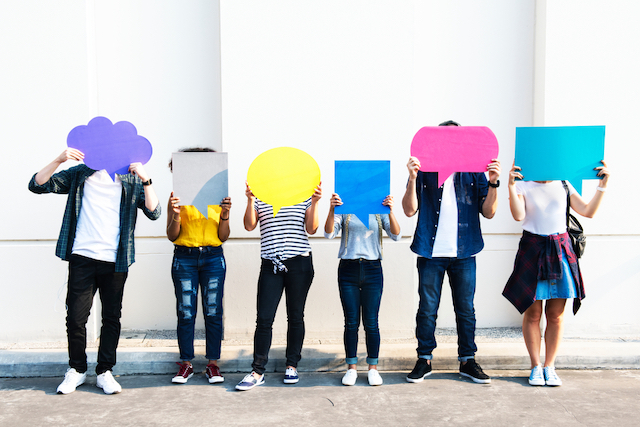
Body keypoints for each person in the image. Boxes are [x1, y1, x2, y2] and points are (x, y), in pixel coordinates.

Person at [28, 148, 160, 394]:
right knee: (76, 318)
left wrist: (146, 179)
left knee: (111, 318)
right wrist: (59, 159)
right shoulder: (81, 173)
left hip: (115, 260)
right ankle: (76, 369)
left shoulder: (131, 178)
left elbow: (154, 212)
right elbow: (37, 185)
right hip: (83, 257)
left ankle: (104, 371)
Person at [402, 120, 500, 384]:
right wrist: (412, 179)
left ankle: (468, 361)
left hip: (465, 252)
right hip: (430, 252)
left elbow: (489, 212)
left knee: (465, 309)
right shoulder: (425, 170)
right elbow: (409, 210)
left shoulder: (474, 171)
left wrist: (493, 184)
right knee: (427, 309)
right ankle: (424, 360)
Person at [503, 161, 610, 386]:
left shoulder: (564, 183)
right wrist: (511, 186)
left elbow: (588, 212)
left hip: (560, 249)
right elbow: (518, 215)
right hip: (532, 248)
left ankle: (550, 366)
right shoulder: (524, 185)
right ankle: (535, 367)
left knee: (556, 315)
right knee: (532, 314)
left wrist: (602, 185)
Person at [235, 181, 322, 391]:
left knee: (295, 316)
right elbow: (249, 225)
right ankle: (257, 371)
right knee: (264, 318)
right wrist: (250, 199)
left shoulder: (302, 195)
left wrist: (315, 202)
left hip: (299, 263)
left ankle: (292, 365)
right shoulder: (261, 195)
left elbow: (312, 228)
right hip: (270, 264)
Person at [166, 148, 232, 385]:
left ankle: (213, 365)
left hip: (213, 256)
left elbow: (223, 236)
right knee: (186, 311)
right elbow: (172, 235)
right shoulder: (178, 198)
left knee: (213, 311)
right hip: (184, 256)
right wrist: (175, 213)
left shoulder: (218, 196)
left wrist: (224, 214)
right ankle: (186, 364)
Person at [324, 193, 401, 386]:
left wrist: (390, 210)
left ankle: (373, 368)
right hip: (348, 270)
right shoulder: (345, 208)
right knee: (351, 322)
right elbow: (328, 233)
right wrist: (332, 208)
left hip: (373, 269)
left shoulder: (378, 208)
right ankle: (351, 368)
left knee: (371, 322)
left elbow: (397, 234)